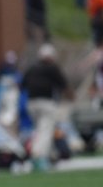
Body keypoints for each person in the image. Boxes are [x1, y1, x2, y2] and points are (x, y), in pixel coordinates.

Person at [20, 43, 68, 172]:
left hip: (31, 103)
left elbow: (22, 84)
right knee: (45, 130)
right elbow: (63, 84)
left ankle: (49, 156)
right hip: (46, 102)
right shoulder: (52, 68)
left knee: (39, 130)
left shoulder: (32, 68)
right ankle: (38, 156)